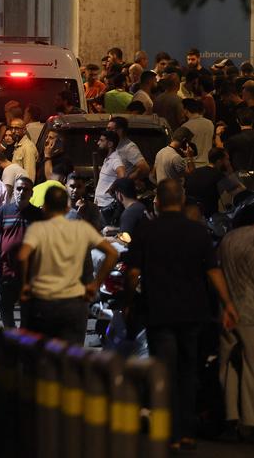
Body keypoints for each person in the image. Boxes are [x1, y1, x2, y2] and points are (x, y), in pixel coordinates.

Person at [125, 179, 239, 452]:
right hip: (193, 312)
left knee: (165, 373)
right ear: (182, 198)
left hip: (159, 312)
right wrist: (229, 304)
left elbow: (132, 273)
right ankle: (187, 432)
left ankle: (171, 432)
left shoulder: (146, 230)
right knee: (188, 373)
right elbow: (213, 271)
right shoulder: (197, 232)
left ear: (158, 201)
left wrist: (129, 302)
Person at [18, 186, 118, 344]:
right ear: (66, 207)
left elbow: (23, 259)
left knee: (45, 356)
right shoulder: (82, 229)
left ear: (45, 207)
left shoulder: (37, 230)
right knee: (71, 356)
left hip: (44, 303)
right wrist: (95, 284)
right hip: (73, 304)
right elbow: (112, 253)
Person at [0, 177, 43, 327]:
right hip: (7, 269)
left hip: (29, 272)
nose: (21, 192)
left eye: (25, 189)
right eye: (19, 188)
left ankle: (22, 340)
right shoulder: (4, 211)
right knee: (5, 307)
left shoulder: (38, 215)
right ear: (14, 190)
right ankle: (11, 334)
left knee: (27, 309)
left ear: (31, 193)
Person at [218, 216, 254, 438]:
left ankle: (230, 415)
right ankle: (249, 421)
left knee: (228, 365)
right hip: (250, 310)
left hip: (226, 308)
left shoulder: (228, 239)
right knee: (251, 366)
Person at [185, 147, 244, 217]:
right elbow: (241, 193)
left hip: (190, 215)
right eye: (227, 159)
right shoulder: (219, 176)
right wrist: (230, 170)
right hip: (210, 218)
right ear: (219, 162)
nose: (229, 162)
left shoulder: (195, 171)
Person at [94, 130, 125, 225]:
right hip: (100, 205)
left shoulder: (115, 160)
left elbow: (122, 176)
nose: (98, 143)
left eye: (101, 140)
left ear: (110, 144)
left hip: (107, 206)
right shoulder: (107, 159)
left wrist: (112, 188)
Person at [181, 98, 213, 167]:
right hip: (208, 163)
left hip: (193, 165)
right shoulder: (210, 123)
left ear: (186, 110)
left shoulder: (185, 126)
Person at [225, 107, 254, 172]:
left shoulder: (234, 139)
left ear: (237, 121)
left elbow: (224, 155)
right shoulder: (234, 139)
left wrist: (217, 135)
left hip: (240, 175)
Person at [10, 118, 38, 182]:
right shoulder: (18, 144)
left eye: (17, 128)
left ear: (24, 130)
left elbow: (30, 176)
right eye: (11, 128)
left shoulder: (28, 147)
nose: (13, 131)